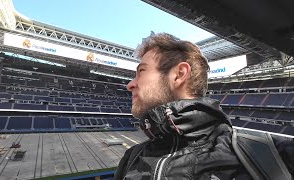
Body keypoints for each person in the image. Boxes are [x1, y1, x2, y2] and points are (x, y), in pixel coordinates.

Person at [114, 33, 294, 180]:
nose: (130, 84)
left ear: (179, 74)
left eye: (141, 71)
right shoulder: (131, 158)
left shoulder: (271, 154)